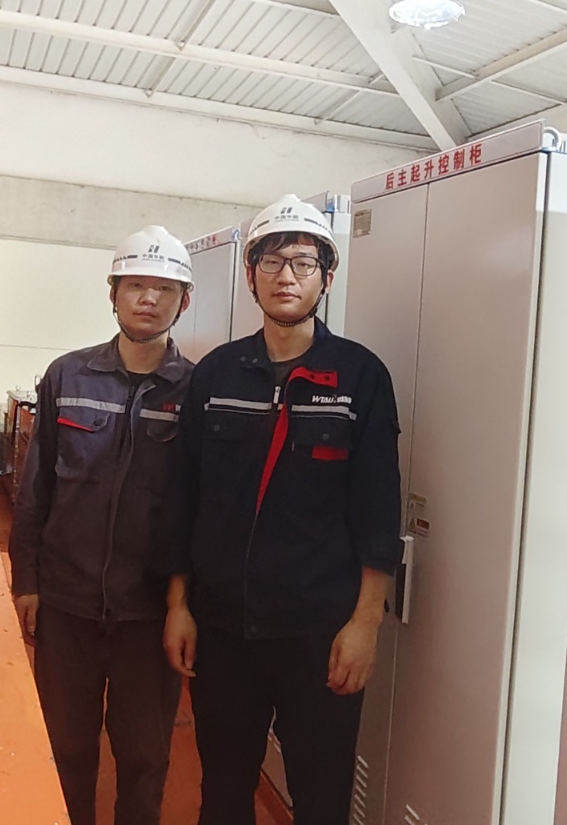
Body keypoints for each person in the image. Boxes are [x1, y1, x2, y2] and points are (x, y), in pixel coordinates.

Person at [161, 195, 403, 825]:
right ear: (250, 276)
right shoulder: (217, 375)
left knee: (321, 802)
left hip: (318, 635)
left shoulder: (359, 376)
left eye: (302, 262)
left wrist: (365, 624)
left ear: (327, 276)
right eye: (270, 261)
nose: (286, 276)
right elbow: (185, 498)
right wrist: (179, 606)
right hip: (223, 632)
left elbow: (379, 508)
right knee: (223, 796)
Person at [9, 225, 195, 825]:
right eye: (136, 285)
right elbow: (35, 488)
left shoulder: (195, 391)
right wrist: (26, 581)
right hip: (67, 603)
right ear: (113, 293)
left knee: (144, 758)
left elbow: (198, 510)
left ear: (184, 301)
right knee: (64, 750)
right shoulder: (68, 377)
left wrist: (184, 605)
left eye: (164, 289)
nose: (149, 298)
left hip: (148, 614)